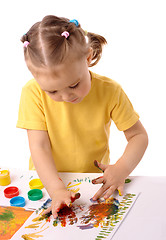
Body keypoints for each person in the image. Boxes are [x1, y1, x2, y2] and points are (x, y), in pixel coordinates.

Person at [17, 15, 148, 218]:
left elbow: (138, 136)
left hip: (92, 181)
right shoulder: (32, 93)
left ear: (88, 57)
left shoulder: (110, 91)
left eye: (74, 85)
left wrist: (122, 168)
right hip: (48, 182)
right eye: (52, 92)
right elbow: (39, 146)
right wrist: (56, 189)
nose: (66, 96)